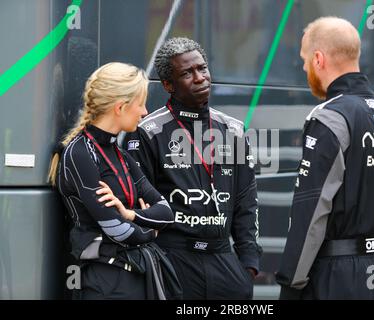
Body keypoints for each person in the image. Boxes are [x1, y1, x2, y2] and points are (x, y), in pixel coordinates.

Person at [276, 17, 374, 299]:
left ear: (318, 59)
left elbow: (312, 207)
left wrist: (291, 280)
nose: (304, 68)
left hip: (335, 277)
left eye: (304, 61)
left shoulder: (328, 118)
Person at [122, 37, 262, 299]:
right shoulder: (147, 132)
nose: (200, 78)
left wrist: (248, 264)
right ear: (168, 85)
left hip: (225, 262)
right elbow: (140, 203)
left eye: (202, 68)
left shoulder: (233, 129)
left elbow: (246, 202)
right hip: (173, 260)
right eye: (187, 73)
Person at [48, 62, 178, 300]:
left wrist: (130, 214)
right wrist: (150, 229)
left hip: (134, 277)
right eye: (140, 104)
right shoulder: (80, 153)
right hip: (103, 282)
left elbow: (168, 213)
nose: (145, 112)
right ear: (120, 107)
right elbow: (118, 231)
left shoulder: (121, 155)